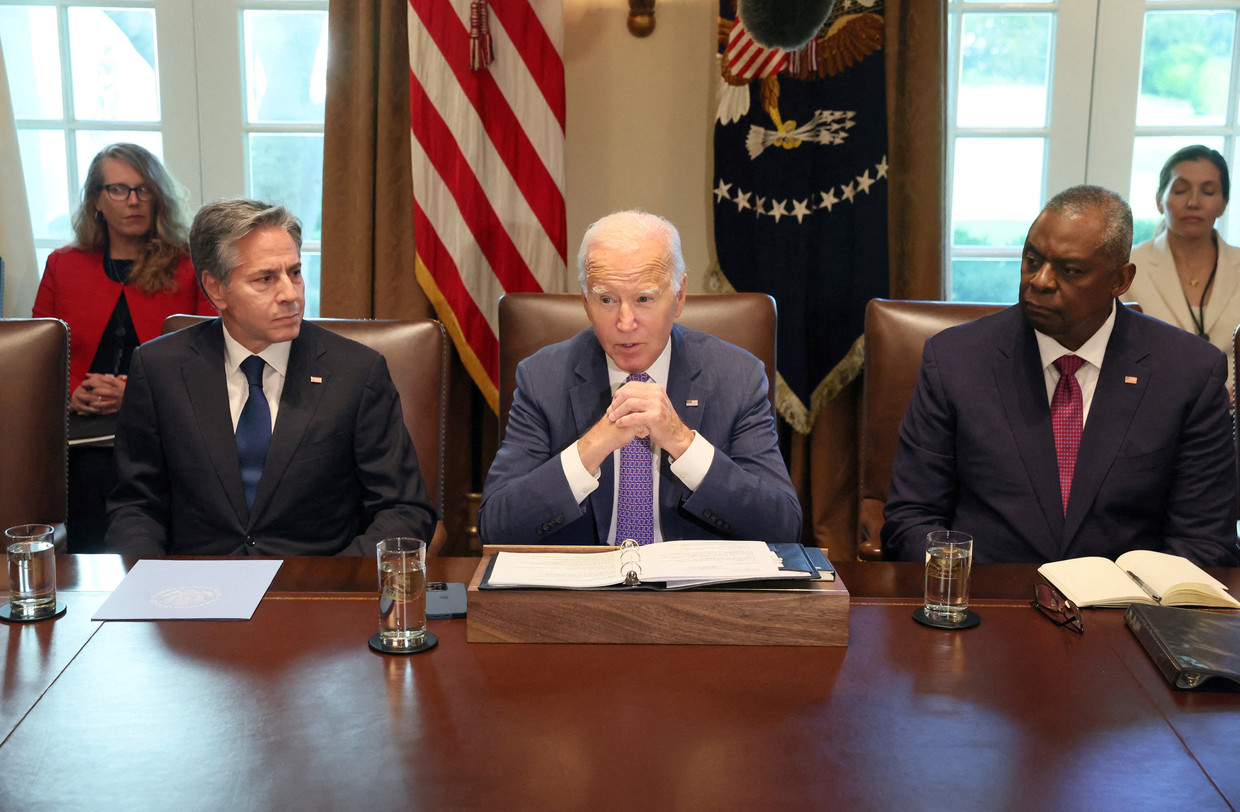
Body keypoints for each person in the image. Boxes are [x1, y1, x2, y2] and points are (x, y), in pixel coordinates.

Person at [881, 185, 1238, 567]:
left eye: (1069, 270)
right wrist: (963, 594)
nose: (1040, 281)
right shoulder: (956, 359)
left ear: (1120, 281)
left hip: (1128, 611)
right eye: (1032, 260)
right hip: (986, 605)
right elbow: (912, 518)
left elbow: (1203, 539)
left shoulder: (1188, 373)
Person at [104, 199, 437, 556]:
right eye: (265, 279)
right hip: (196, 593)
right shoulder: (159, 369)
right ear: (216, 289)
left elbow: (403, 509)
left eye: (294, 272)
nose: (290, 295)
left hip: (314, 593)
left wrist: (334, 584)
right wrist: (149, 586)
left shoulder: (356, 371)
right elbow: (136, 506)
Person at [478, 209, 802, 546]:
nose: (625, 322)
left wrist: (682, 441)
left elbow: (782, 527)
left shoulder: (737, 376)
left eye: (644, 299)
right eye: (606, 300)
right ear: (586, 302)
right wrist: (593, 445)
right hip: (582, 591)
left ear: (678, 296)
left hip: (694, 592)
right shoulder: (542, 378)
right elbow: (496, 528)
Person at [31, 143, 216, 552]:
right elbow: (39, 354)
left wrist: (133, 391)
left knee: (119, 468)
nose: (132, 201)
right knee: (81, 469)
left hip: (163, 414)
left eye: (143, 189)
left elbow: (208, 354)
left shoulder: (190, 265)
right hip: (80, 420)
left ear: (158, 197)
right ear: (97, 200)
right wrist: (73, 388)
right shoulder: (64, 264)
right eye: (117, 189)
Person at [1125, 145, 1240, 394]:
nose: (1193, 202)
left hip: (1232, 417)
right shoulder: (1129, 267)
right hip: (1150, 411)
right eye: (1180, 190)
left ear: (1224, 204)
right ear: (1159, 200)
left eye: (1208, 192)